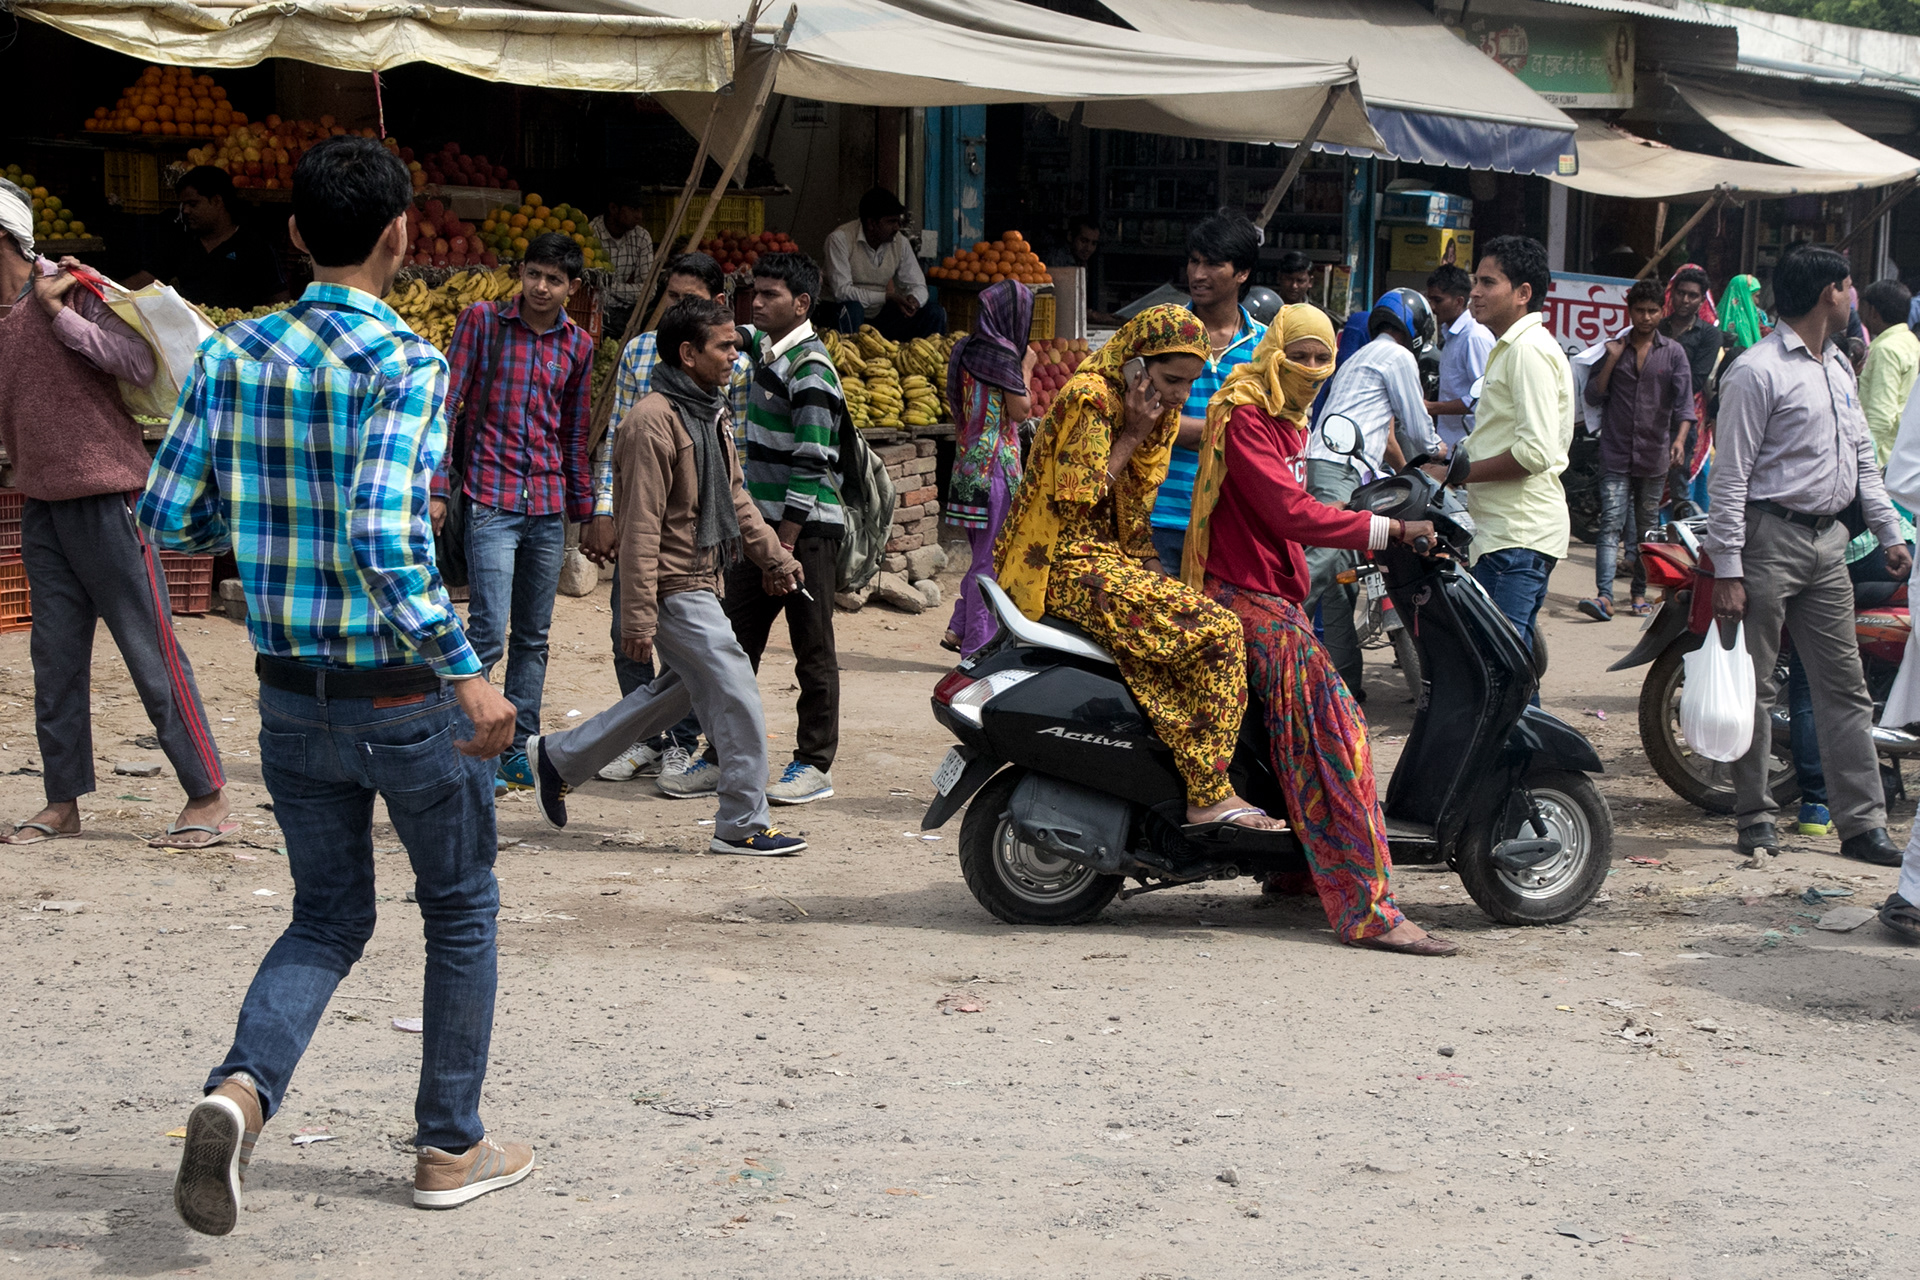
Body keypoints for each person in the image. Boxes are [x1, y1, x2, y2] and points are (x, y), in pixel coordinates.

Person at [138, 135, 529, 1230]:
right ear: (402, 232)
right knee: (458, 908)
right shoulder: (407, 361)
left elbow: (166, 518)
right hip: (400, 692)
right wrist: (468, 676)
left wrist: (257, 531)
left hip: (286, 692)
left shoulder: (227, 352)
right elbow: (379, 532)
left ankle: (241, 1091)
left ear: (298, 233)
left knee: (324, 918)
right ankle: (449, 1145)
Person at [1182, 304, 1457, 955]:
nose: (1308, 369)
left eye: (1318, 358)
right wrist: (1390, 528)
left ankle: (1293, 864)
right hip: (1243, 599)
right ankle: (1369, 907)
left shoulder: (1285, 417)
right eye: (1297, 356)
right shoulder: (1248, 414)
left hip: (1273, 593)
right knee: (1340, 730)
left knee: (1294, 728)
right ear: (1273, 350)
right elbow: (1292, 512)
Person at [525, 298, 806, 855]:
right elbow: (640, 525)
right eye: (723, 346)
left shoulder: (707, 411)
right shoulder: (651, 422)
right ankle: (742, 822)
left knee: (675, 696)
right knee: (737, 690)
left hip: (705, 577)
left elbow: (735, 497)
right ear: (687, 353)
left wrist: (775, 557)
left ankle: (559, 757)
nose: (734, 355)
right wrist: (637, 615)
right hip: (674, 585)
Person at [0, 180, 231, 852]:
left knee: (148, 648)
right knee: (55, 657)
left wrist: (59, 317)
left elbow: (136, 359)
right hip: (41, 502)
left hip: (110, 498)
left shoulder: (71, 288)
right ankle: (62, 800)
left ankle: (208, 794)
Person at [993, 305, 1281, 834]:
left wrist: (1154, 573)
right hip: (1061, 562)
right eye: (1172, 380)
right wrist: (1131, 434)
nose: (1179, 395)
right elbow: (1078, 500)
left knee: (1186, 624)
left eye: (1190, 383)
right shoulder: (1092, 398)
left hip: (1107, 559)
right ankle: (1209, 793)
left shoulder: (1157, 409)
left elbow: (1133, 508)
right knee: (1219, 633)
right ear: (1136, 362)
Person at [1705, 245, 1910, 864]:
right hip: (1768, 539)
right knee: (1757, 686)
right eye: (1849, 288)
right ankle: (1755, 816)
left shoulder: (1839, 368)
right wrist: (1729, 569)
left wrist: (1889, 531)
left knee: (1844, 689)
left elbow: (1864, 461)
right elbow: (1730, 477)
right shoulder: (1757, 370)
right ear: (1829, 292)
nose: (1855, 300)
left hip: (1830, 545)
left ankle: (1862, 825)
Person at [431, 231, 596, 790]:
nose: (541, 287)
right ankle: (464, 740)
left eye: (554, 280)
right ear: (519, 274)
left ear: (572, 288)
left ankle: (517, 748)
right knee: (487, 633)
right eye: (533, 275)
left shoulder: (579, 346)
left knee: (534, 637)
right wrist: (434, 484)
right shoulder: (483, 322)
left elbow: (574, 435)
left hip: (548, 505)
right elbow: (448, 406)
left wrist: (587, 510)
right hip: (490, 497)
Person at [584, 251, 751, 786]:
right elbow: (621, 436)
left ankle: (681, 742)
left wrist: (761, 544)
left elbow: (732, 461)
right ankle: (639, 743)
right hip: (652, 518)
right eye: (671, 298)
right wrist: (605, 507)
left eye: (689, 301)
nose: (675, 308)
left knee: (695, 663)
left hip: (705, 535)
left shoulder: (733, 365)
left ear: (718, 305)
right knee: (631, 636)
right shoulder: (640, 355)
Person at [686, 251, 845, 806]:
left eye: (771, 295)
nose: (758, 303)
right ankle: (718, 754)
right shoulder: (763, 348)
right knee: (734, 643)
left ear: (801, 304)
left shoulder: (812, 368)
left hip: (806, 531)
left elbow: (814, 461)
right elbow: (736, 332)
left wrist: (786, 544)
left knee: (812, 647)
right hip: (762, 529)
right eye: (755, 292)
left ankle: (813, 763)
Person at [1302, 289, 1442, 700]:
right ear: (1417, 327)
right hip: (1337, 468)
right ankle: (1272, 629)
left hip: (1337, 463)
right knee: (1323, 562)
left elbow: (1382, 433)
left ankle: (1345, 682)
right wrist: (1439, 451)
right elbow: (1415, 423)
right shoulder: (1398, 357)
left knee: (1340, 584)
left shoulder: (1362, 355)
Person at [1458, 236, 1574, 694]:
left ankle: (1533, 764)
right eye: (1475, 281)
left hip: (1517, 534)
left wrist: (1460, 473)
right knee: (1506, 669)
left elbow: (1534, 452)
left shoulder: (1526, 350)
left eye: (1489, 282)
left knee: (1502, 674)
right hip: (1504, 534)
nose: (1476, 292)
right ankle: (1524, 765)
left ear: (1523, 293)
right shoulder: (1511, 346)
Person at [1149, 211, 1266, 574]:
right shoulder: (1162, 333)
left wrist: (1184, 428)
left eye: (1213, 264)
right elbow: (1147, 417)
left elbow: (1270, 434)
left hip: (1228, 522)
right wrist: (1231, 432)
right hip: (1160, 515)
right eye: (1194, 261)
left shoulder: (1266, 347)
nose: (1197, 275)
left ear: (1242, 273)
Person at [1577, 278, 1695, 622]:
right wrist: (1613, 360)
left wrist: (1678, 440)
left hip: (1654, 454)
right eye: (1640, 311)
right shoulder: (1612, 349)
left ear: (1662, 312)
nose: (1646, 317)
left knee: (1647, 528)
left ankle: (1639, 593)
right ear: (1629, 312)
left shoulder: (1673, 352)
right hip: (1615, 452)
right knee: (1610, 523)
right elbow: (1593, 396)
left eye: (1652, 311)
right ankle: (1603, 595)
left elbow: (1685, 406)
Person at [940, 278, 1037, 656]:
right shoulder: (1003, 355)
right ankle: (977, 648)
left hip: (967, 466)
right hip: (996, 468)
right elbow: (1021, 409)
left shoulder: (965, 348)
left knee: (981, 552)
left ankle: (959, 627)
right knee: (991, 561)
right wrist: (1026, 367)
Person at [155, 165, 288, 310]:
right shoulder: (182, 242)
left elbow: (280, 302)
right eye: (183, 205)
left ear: (217, 201)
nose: (185, 211)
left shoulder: (255, 247)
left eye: (193, 204)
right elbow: (150, 279)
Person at [821, 186, 946, 341]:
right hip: (839, 312)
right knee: (852, 309)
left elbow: (918, 284)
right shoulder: (840, 239)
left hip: (879, 314)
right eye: (891, 222)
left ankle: (925, 360)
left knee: (934, 312)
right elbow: (842, 292)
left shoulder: (900, 242)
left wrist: (914, 300)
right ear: (871, 224)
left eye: (898, 221)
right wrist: (886, 297)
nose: (897, 227)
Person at [1661, 265, 1728, 502]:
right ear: (1673, 293)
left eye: (1693, 295)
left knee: (1679, 484)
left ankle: (1678, 537)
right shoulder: (1659, 327)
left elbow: (1697, 379)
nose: (1685, 300)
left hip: (1682, 419)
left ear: (1702, 301)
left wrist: (1654, 383)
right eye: (1681, 293)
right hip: (1650, 416)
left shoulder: (1709, 334)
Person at [1424, 262, 1493, 451]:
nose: (1432, 307)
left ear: (1459, 301)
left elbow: (1483, 397)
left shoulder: (1474, 337)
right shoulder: (1449, 334)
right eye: (1429, 300)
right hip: (1449, 443)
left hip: (1471, 446)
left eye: (1438, 300)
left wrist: (1433, 407)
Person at [1858, 279, 1918, 467]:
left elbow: (1881, 415)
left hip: (1882, 459)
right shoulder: (1909, 341)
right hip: (1899, 451)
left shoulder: (1886, 350)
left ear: (1873, 312)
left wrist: (1865, 462)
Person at [589, 180, 656, 339]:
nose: (639, 216)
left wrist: (609, 288)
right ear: (613, 208)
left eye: (640, 210)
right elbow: (588, 292)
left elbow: (649, 291)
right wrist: (629, 289)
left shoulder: (642, 237)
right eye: (633, 209)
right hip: (597, 314)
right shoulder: (592, 234)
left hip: (628, 316)